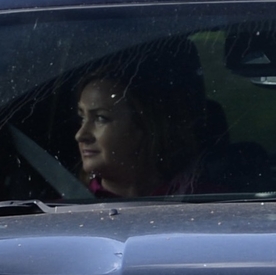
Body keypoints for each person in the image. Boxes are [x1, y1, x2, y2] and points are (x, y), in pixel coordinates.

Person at [73, 43, 209, 198]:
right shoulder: (61, 212)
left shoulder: (212, 203)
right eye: (82, 118)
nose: (80, 135)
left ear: (144, 126)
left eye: (100, 118)